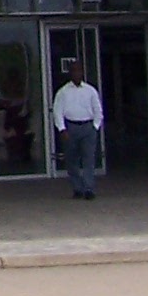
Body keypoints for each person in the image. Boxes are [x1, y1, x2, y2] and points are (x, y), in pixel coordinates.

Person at [52, 59, 104, 199]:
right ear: (70, 73)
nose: (76, 73)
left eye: (79, 70)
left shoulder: (90, 91)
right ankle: (77, 188)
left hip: (87, 127)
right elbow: (57, 111)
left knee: (88, 159)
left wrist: (95, 127)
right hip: (71, 128)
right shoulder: (63, 92)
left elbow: (98, 110)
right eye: (74, 71)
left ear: (82, 72)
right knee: (71, 160)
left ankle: (88, 188)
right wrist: (62, 129)